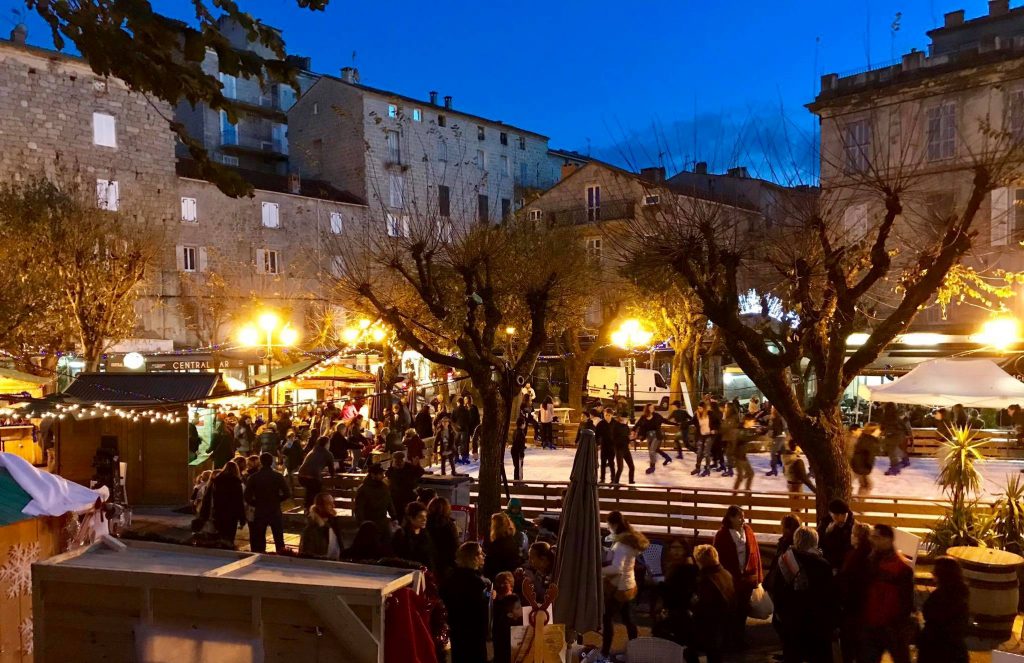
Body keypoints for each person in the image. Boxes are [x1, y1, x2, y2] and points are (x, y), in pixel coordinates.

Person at [769, 527, 838, 663]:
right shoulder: (821, 564)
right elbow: (828, 596)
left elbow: (776, 589)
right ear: (815, 542)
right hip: (816, 623)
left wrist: (781, 614)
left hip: (792, 621)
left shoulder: (784, 561)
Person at [860, 524, 914, 663]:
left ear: (888, 539)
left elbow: (906, 601)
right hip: (871, 624)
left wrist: (897, 623)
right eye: (872, 536)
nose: (873, 540)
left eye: (876, 537)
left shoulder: (901, 568)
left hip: (892, 627)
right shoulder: (869, 561)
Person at [600, 511, 649, 658]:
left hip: (618, 589)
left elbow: (617, 568)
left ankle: (605, 652)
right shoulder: (630, 540)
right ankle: (635, 651)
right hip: (629, 585)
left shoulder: (622, 544)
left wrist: (597, 570)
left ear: (613, 524)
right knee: (628, 619)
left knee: (607, 619)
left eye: (609, 525)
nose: (608, 528)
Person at [712, 505, 762, 646]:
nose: (742, 519)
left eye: (743, 516)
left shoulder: (748, 531)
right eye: (739, 516)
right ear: (730, 518)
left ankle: (740, 638)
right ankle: (728, 640)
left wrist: (757, 576)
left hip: (746, 579)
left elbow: (754, 553)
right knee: (730, 611)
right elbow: (717, 557)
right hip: (730, 579)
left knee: (743, 610)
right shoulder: (722, 535)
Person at [441, 542, 490, 663]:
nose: (483, 555)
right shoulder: (478, 584)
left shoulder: (450, 579)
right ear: (472, 557)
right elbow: (482, 610)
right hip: (474, 635)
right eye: (479, 553)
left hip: (457, 632)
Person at [686, 544, 735, 663]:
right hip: (724, 622)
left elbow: (703, 606)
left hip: (710, 625)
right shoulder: (725, 573)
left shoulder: (706, 580)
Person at [918, 556, 969, 663]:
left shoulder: (940, 596)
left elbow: (930, 616)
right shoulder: (961, 593)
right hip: (955, 650)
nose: (932, 572)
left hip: (935, 648)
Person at [838, 522, 873, 663]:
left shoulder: (854, 557)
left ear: (858, 537)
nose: (850, 537)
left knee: (849, 646)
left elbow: (846, 582)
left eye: (853, 534)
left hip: (853, 609)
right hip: (866, 609)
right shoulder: (872, 555)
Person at [653, 537, 698, 646]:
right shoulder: (670, 565)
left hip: (680, 611)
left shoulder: (687, 567)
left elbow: (678, 592)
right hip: (674, 610)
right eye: (673, 547)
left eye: (679, 548)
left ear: (685, 550)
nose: (676, 551)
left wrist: (660, 585)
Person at [243, 452, 291, 553]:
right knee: (279, 538)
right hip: (275, 509)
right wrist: (278, 499)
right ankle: (281, 556)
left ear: (260, 462)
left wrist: (255, 503)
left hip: (260, 510)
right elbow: (287, 493)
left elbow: (247, 496)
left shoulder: (254, 477)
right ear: (271, 462)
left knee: (259, 538)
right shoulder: (278, 476)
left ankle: (260, 557)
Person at [200, 461, 246, 546]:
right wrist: (242, 518)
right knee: (229, 537)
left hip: (218, 513)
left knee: (220, 536)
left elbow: (208, 498)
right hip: (232, 515)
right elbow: (239, 502)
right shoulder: (236, 483)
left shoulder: (216, 482)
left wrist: (204, 514)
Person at [354, 463, 397, 540]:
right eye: (380, 474)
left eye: (383, 473)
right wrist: (362, 525)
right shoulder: (363, 489)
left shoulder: (384, 486)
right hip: (370, 523)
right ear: (373, 475)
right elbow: (359, 509)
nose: (383, 475)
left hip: (383, 522)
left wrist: (394, 517)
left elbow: (389, 502)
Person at [299, 491, 345, 559]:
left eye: (333, 503)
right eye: (329, 504)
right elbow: (306, 555)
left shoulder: (334, 524)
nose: (333, 506)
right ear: (319, 506)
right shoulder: (311, 530)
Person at [297, 436, 335, 510]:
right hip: (313, 477)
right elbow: (332, 471)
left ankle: (307, 508)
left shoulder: (313, 450)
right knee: (317, 492)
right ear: (327, 444)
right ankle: (314, 510)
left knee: (310, 491)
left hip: (301, 476)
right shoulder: (328, 454)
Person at [492, 571, 523, 663]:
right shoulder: (497, 603)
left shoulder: (515, 600)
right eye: (499, 583)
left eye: (504, 583)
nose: (501, 586)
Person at [391, 501, 434, 567]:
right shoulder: (401, 534)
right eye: (420, 516)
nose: (424, 519)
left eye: (425, 516)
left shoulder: (425, 534)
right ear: (411, 518)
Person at [635, 403, 673, 474]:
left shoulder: (657, 416)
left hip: (657, 435)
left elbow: (665, 421)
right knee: (655, 450)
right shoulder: (643, 417)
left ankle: (652, 467)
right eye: (650, 408)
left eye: (653, 408)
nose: (652, 409)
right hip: (649, 436)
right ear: (647, 409)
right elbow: (638, 424)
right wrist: (633, 430)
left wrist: (676, 424)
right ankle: (667, 457)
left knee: (652, 451)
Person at [426, 496, 460, 578]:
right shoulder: (450, 525)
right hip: (445, 563)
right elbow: (455, 545)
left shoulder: (426, 523)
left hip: (429, 561)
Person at [484, 512, 523, 581]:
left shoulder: (497, 544)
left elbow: (489, 565)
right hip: (510, 576)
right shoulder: (512, 539)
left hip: (499, 578)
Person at [820, 498, 855, 571]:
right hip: (827, 560)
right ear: (830, 513)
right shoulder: (825, 522)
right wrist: (827, 533)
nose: (841, 517)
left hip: (844, 563)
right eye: (837, 515)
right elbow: (819, 543)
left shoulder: (852, 525)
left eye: (844, 514)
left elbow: (849, 547)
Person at [385, 450, 424, 515]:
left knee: (408, 516)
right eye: (396, 461)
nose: (398, 463)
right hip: (396, 499)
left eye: (400, 461)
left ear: (403, 460)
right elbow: (388, 476)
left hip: (408, 498)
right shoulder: (391, 470)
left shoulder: (410, 468)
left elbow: (420, 472)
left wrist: (416, 466)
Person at [880, 403, 908, 476]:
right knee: (894, 449)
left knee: (891, 450)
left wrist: (883, 430)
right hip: (899, 435)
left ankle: (895, 468)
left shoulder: (887, 417)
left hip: (893, 436)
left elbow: (883, 426)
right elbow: (903, 426)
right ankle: (905, 459)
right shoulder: (896, 416)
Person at [851, 423, 879, 494]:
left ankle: (860, 501)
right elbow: (869, 456)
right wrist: (868, 466)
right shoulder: (869, 441)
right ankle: (861, 503)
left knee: (866, 485)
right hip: (861, 467)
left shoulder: (866, 438)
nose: (879, 431)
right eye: (878, 430)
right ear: (873, 431)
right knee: (867, 485)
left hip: (859, 466)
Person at [611, 412, 636, 484]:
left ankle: (631, 482)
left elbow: (627, 437)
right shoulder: (616, 426)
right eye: (626, 418)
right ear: (621, 418)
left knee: (632, 467)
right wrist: (627, 439)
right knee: (620, 468)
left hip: (625, 449)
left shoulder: (626, 426)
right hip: (619, 449)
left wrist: (631, 439)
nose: (627, 419)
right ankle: (616, 483)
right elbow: (615, 439)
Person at [733, 414, 756, 490]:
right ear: (747, 421)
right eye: (752, 421)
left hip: (742, 456)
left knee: (750, 474)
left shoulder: (745, 429)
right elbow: (744, 438)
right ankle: (734, 496)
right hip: (738, 456)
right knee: (741, 477)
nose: (754, 423)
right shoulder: (740, 430)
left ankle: (747, 492)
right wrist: (757, 435)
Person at [720, 402, 741, 478]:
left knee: (729, 454)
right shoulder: (728, 416)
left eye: (726, 407)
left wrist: (723, 424)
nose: (725, 409)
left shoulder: (733, 417)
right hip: (730, 438)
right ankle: (731, 470)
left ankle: (731, 471)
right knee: (729, 454)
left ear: (730, 408)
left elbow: (728, 426)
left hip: (732, 438)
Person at [766, 406, 788, 476]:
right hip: (780, 436)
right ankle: (786, 469)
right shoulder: (777, 417)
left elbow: (784, 427)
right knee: (784, 453)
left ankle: (774, 469)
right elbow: (784, 426)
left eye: (772, 409)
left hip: (779, 437)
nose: (771, 410)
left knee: (773, 452)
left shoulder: (776, 417)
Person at [595, 408, 616, 482]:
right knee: (603, 463)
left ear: (611, 415)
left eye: (608, 415)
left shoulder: (615, 423)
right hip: (604, 446)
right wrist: (597, 444)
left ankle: (613, 478)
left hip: (612, 446)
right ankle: (602, 478)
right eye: (605, 415)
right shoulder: (601, 423)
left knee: (611, 463)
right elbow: (596, 434)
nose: (607, 416)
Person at [510, 414, 527, 480]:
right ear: (522, 424)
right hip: (517, 452)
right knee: (519, 467)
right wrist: (521, 452)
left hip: (514, 450)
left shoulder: (515, 431)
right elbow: (519, 443)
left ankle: (517, 481)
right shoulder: (521, 433)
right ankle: (518, 482)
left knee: (517, 466)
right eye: (524, 423)